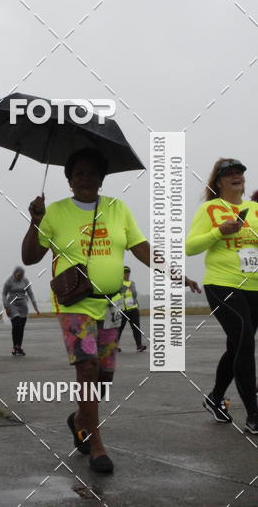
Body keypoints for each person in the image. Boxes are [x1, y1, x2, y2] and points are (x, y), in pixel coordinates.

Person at [22, 147, 200, 473]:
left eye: (92, 172)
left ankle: (80, 418)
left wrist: (174, 273)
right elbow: (30, 257)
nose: (85, 178)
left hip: (111, 304)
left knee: (104, 375)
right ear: (69, 180)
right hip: (75, 304)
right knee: (87, 368)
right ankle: (96, 444)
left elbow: (141, 247)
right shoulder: (55, 212)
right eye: (79, 173)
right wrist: (35, 221)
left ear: (102, 179)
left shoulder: (118, 209)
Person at [186, 158, 258, 432]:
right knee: (245, 343)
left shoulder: (255, 209)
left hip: (254, 286)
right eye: (229, 174)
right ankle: (253, 414)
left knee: (238, 346)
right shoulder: (210, 208)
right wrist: (219, 231)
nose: (236, 176)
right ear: (218, 182)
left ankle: (215, 398)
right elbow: (191, 247)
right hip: (223, 284)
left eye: (240, 172)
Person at [2, 266, 40, 355]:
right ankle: (15, 347)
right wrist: (6, 306)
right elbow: (4, 294)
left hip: (23, 305)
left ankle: (19, 347)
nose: (20, 277)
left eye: (21, 275)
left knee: (21, 327)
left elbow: (30, 293)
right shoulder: (9, 281)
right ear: (15, 273)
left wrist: (35, 307)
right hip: (12, 304)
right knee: (16, 324)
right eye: (18, 275)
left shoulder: (25, 280)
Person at [117, 267, 146, 352]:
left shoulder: (132, 283)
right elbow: (118, 294)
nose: (126, 274)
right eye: (125, 272)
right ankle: (114, 346)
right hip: (123, 310)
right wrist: (126, 289)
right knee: (119, 328)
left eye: (128, 272)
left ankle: (139, 346)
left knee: (136, 328)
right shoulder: (119, 283)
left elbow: (134, 295)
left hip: (133, 309)